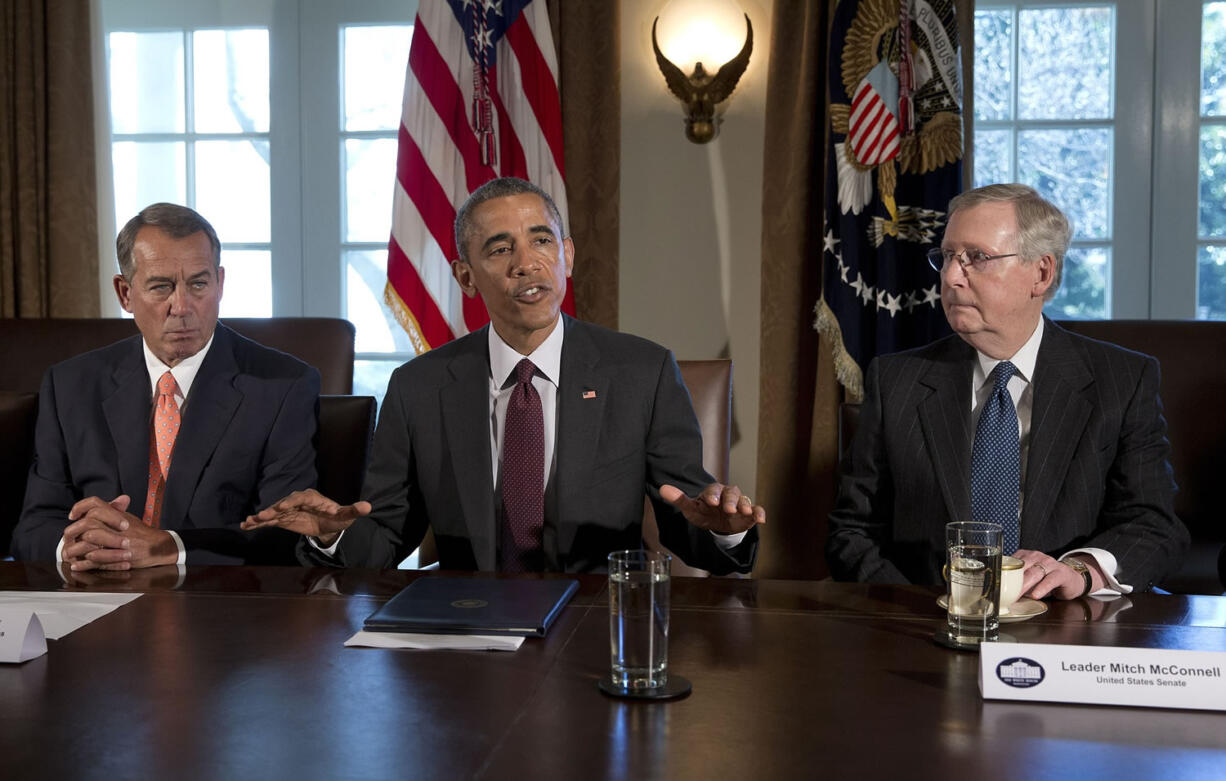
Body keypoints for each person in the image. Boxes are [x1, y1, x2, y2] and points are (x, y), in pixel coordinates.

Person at [243, 177, 764, 573]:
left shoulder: (642, 373)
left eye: (542, 242)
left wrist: (726, 534)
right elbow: (386, 537)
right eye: (499, 248)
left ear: (568, 256)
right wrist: (333, 535)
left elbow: (690, 517)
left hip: (594, 624)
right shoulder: (418, 387)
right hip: (467, 625)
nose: (526, 263)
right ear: (465, 276)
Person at [826, 183, 1189, 598]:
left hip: (1062, 625)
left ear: (1041, 273)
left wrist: (1083, 571)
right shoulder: (896, 380)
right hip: (923, 622)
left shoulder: (1123, 380)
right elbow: (851, 531)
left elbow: (1154, 525)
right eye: (946, 257)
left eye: (976, 258)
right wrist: (916, 610)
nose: (949, 276)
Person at [12, 203, 320, 568]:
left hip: (214, 604)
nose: (182, 306)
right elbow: (33, 529)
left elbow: (284, 536)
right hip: (96, 593)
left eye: (199, 284)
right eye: (162, 287)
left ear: (220, 284)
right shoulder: (70, 386)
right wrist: (73, 547)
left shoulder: (282, 387)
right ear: (125, 293)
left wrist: (168, 548)